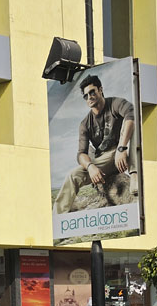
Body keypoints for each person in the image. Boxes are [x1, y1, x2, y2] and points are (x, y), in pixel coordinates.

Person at [53, 74, 135, 214]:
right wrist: (91, 167)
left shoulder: (114, 103)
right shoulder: (85, 123)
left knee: (134, 125)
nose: (89, 97)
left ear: (100, 90)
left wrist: (122, 147)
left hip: (123, 149)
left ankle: (134, 175)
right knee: (73, 175)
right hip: (105, 159)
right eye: (86, 95)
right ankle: (57, 219)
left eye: (92, 92)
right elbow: (81, 154)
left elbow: (131, 113)